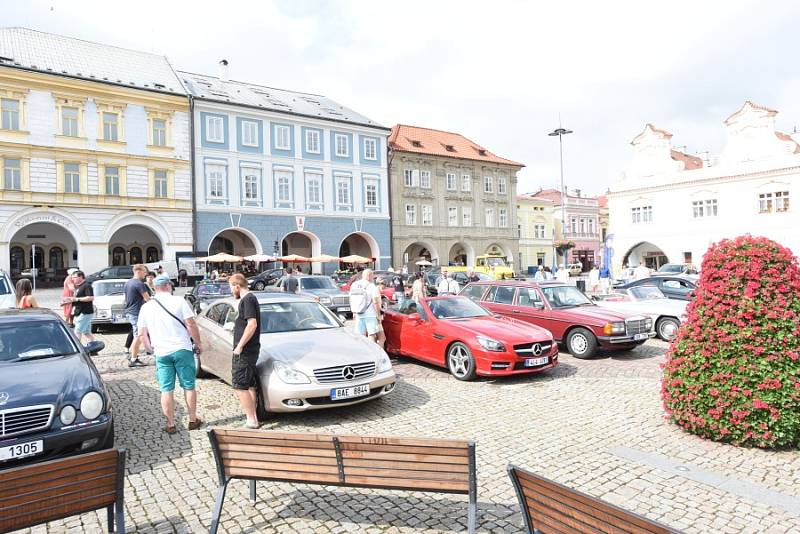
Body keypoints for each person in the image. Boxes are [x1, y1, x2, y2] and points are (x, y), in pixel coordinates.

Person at [138, 275, 203, 434]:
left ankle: (171, 424)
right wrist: (198, 342)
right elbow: (190, 323)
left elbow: (142, 334)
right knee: (189, 385)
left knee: (166, 389)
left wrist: (150, 349)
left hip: (161, 352)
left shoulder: (147, 307)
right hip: (182, 349)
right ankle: (192, 420)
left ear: (154, 288)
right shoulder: (179, 301)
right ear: (168, 286)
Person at [228, 273, 262, 429]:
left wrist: (240, 346)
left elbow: (252, 324)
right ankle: (253, 417)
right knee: (249, 385)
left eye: (231, 287)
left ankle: (251, 420)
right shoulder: (250, 299)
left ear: (237, 286)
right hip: (250, 349)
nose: (231, 291)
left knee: (239, 385)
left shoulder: (247, 299)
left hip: (245, 351)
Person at [124, 264, 151, 367]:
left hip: (131, 311)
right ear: (138, 271)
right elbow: (147, 299)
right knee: (138, 336)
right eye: (144, 272)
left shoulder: (128, 282)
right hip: (137, 312)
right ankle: (133, 359)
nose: (145, 274)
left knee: (139, 335)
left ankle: (135, 356)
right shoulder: (139, 284)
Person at [350, 269, 381, 342]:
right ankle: (372, 352)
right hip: (370, 315)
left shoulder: (354, 284)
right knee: (371, 335)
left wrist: (354, 312)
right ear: (369, 276)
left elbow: (351, 299)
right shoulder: (372, 286)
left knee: (360, 336)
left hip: (358, 313)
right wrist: (378, 315)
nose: (373, 278)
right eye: (373, 276)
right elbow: (375, 302)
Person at [70, 271, 95, 344]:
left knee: (77, 331)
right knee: (86, 332)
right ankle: (94, 345)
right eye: (72, 278)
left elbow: (91, 297)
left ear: (80, 277)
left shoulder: (86, 285)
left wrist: (77, 299)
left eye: (74, 277)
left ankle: (78, 349)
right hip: (79, 311)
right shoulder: (78, 286)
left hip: (85, 312)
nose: (73, 279)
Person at [375, 278, 387, 348]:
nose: (385, 286)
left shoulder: (374, 290)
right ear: (380, 284)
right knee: (382, 338)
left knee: (376, 337)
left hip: (373, 317)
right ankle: (380, 354)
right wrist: (379, 317)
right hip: (377, 318)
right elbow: (377, 305)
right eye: (384, 284)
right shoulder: (377, 292)